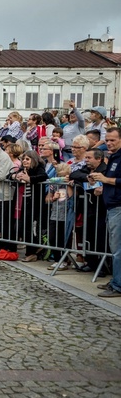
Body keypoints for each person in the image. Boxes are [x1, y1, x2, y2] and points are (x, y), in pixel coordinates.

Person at [88, 127, 121, 297]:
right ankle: (116, 280)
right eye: (107, 140)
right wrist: (102, 185)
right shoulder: (113, 157)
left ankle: (118, 284)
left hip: (118, 206)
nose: (108, 143)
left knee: (118, 248)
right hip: (111, 205)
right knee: (115, 246)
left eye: (112, 140)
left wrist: (106, 180)